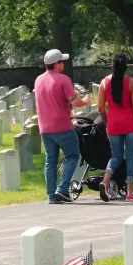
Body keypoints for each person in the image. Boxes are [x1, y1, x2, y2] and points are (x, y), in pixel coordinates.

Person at [34, 48, 89, 204]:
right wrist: (85, 101)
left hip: (45, 127)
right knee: (73, 156)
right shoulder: (63, 79)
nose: (64, 63)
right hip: (63, 125)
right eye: (62, 61)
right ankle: (62, 188)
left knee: (50, 161)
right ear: (56, 64)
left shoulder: (38, 80)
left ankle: (52, 195)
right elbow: (74, 101)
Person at [102, 51, 133, 201]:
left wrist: (107, 122)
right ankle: (130, 193)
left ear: (112, 65)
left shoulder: (104, 83)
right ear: (126, 66)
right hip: (130, 124)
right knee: (131, 156)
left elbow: (101, 108)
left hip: (113, 125)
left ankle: (105, 180)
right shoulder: (132, 82)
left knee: (116, 156)